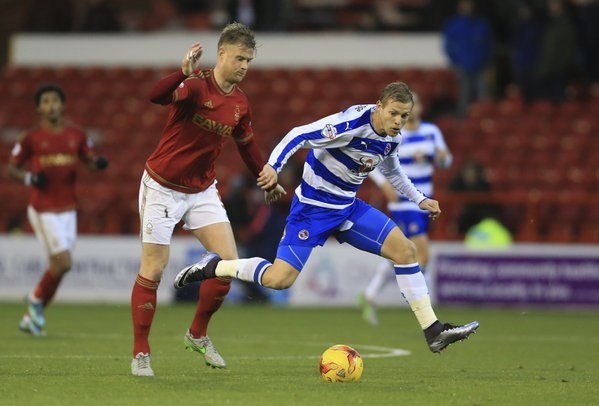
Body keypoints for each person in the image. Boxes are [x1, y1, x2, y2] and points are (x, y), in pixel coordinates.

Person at [175, 82, 479, 353]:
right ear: (379, 107)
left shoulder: (392, 137)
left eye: (404, 115)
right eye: (394, 114)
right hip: (312, 210)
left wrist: (420, 199)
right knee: (279, 280)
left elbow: (392, 171)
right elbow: (299, 135)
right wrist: (273, 166)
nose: (399, 121)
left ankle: (433, 331)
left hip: (348, 208)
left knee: (406, 251)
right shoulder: (348, 124)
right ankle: (215, 265)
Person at [130, 23, 278, 377]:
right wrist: (181, 73)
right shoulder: (196, 85)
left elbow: (247, 145)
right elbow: (155, 96)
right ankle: (140, 353)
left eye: (249, 60)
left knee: (228, 263)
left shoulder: (240, 102)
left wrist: (265, 174)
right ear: (222, 53)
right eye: (240, 57)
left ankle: (197, 333)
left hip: (201, 190)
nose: (244, 65)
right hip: (163, 186)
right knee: (153, 269)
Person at [8, 83, 109, 337]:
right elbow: (12, 168)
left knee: (61, 267)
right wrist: (30, 179)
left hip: (68, 209)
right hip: (43, 209)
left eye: (55, 100)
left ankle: (33, 318)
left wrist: (98, 163)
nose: (51, 105)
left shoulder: (76, 134)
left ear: (62, 105)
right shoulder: (30, 138)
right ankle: (34, 299)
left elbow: (89, 160)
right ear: (39, 108)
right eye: (45, 101)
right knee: (63, 262)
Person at [358, 92, 452, 326]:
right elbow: (371, 162)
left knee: (404, 251)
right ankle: (420, 304)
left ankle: (370, 294)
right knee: (422, 255)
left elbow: (446, 161)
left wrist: (438, 157)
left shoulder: (432, 131)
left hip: (423, 200)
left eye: (417, 103)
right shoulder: (393, 133)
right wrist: (383, 184)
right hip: (403, 202)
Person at [442, 0, 492, 116]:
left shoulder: (482, 24)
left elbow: (489, 45)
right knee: (464, 95)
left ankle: (484, 118)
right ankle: (464, 121)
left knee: (483, 95)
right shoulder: (453, 24)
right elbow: (448, 45)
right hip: (463, 66)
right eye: (464, 5)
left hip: (481, 66)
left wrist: (487, 60)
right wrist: (455, 61)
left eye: (469, 5)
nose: (467, 7)